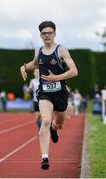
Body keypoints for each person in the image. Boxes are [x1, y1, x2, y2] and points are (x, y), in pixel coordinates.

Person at [20, 21, 78, 170]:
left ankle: (54, 127)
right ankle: (44, 157)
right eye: (44, 33)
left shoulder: (61, 51)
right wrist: (24, 67)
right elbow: (35, 64)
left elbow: (74, 71)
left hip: (60, 93)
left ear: (54, 34)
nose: (47, 35)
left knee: (59, 123)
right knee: (45, 120)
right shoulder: (38, 51)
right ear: (41, 35)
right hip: (44, 92)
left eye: (50, 33)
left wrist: (56, 78)